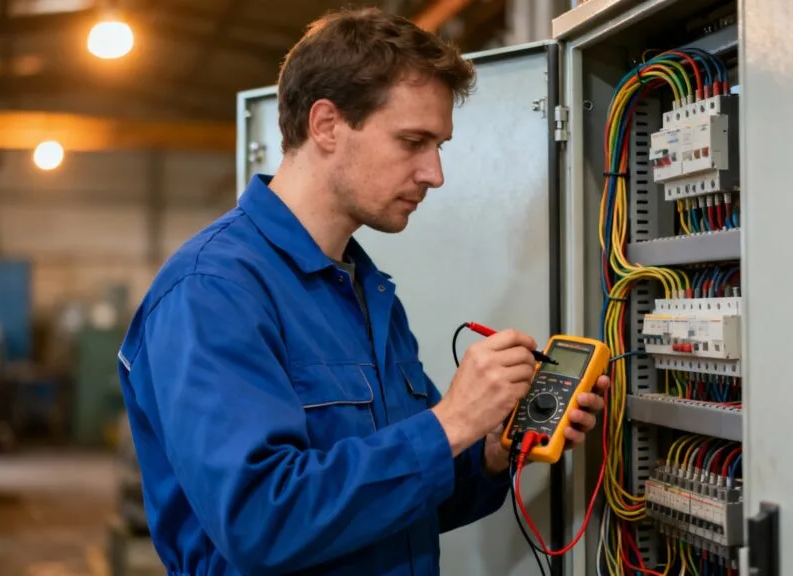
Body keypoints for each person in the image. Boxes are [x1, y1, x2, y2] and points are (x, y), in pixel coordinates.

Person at [117, 7, 609, 576]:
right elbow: (259, 523)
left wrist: (491, 451)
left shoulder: (366, 291)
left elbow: (402, 501)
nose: (435, 174)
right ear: (327, 124)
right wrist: (449, 423)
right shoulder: (213, 292)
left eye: (439, 145)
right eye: (413, 141)